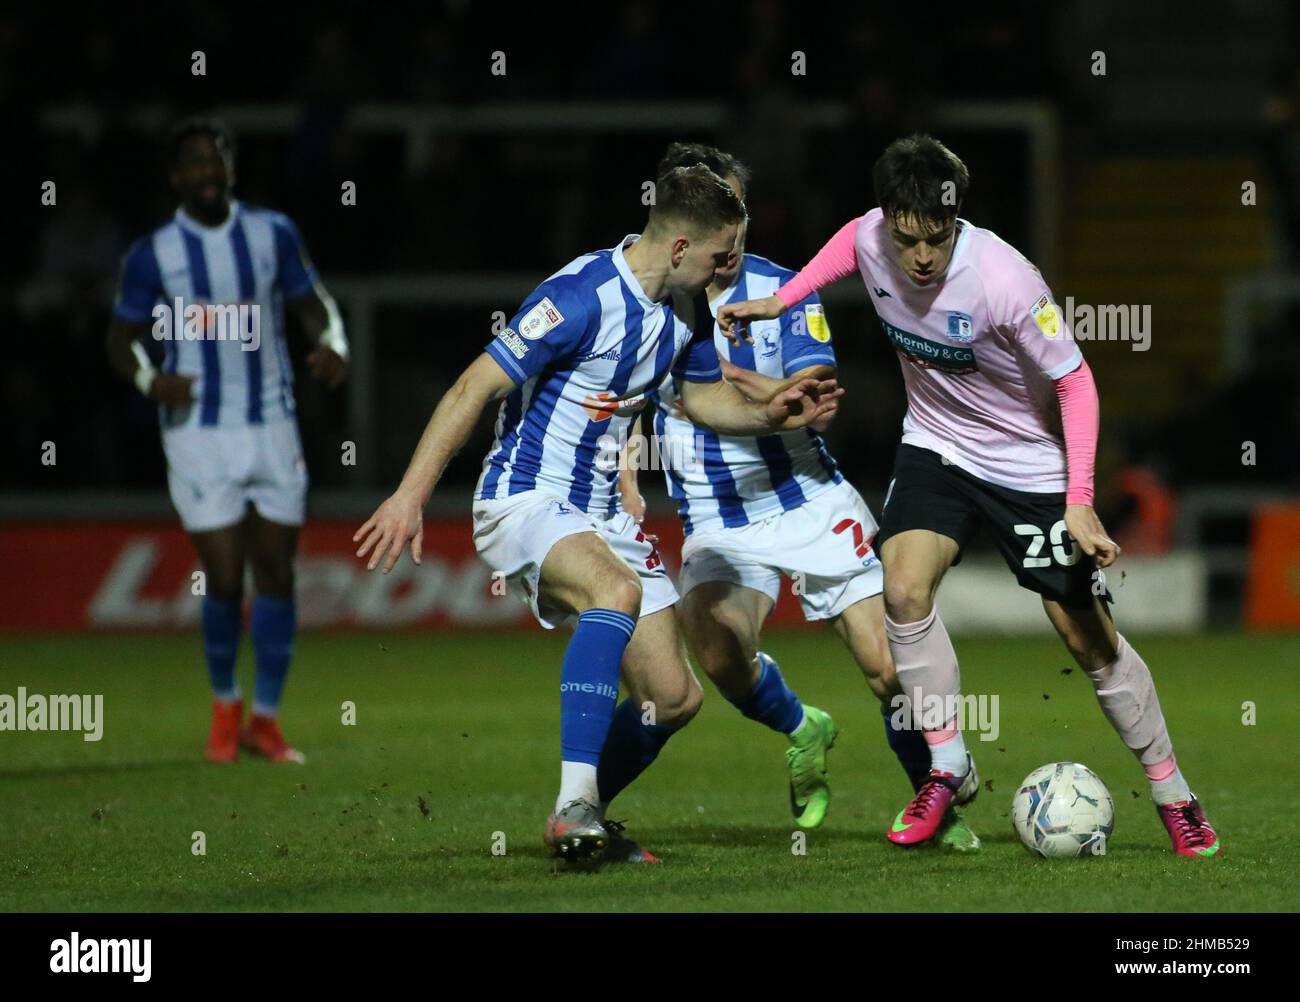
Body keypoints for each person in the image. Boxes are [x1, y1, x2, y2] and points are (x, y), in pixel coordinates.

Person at [718, 134, 1221, 858]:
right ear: (888, 219)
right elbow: (844, 250)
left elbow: (1076, 381)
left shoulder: (1006, 279)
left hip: (1030, 469)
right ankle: (946, 766)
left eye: (937, 238)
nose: (921, 256)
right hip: (937, 448)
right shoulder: (872, 237)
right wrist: (779, 300)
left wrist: (1078, 498)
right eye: (908, 238)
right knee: (901, 589)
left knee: (1088, 640)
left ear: (957, 220)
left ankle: (1174, 795)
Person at [354, 165, 840, 863]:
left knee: (672, 699)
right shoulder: (580, 297)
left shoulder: (682, 312)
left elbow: (704, 401)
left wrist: (773, 413)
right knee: (615, 591)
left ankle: (586, 826)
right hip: (526, 496)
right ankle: (572, 807)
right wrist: (409, 494)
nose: (724, 270)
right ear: (679, 248)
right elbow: (473, 386)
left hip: (601, 513)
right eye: (716, 256)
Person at [624, 143, 979, 847]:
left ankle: (935, 807)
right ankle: (802, 727)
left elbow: (811, 390)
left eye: (740, 213)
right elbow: (622, 397)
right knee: (720, 657)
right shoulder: (643, 301)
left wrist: (748, 388)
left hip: (807, 499)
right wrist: (628, 471)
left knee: (889, 670)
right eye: (716, 217)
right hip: (717, 518)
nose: (731, 236)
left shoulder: (783, 290)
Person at [107, 117, 349, 765]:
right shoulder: (153, 253)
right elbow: (118, 338)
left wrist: (333, 344)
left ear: (231, 169)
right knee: (222, 573)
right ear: (175, 176)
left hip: (271, 423)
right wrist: (148, 379)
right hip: (197, 435)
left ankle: (264, 720)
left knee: (275, 572)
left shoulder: (272, 234)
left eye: (216, 161)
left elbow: (314, 303)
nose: (206, 173)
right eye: (193, 163)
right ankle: (224, 704)